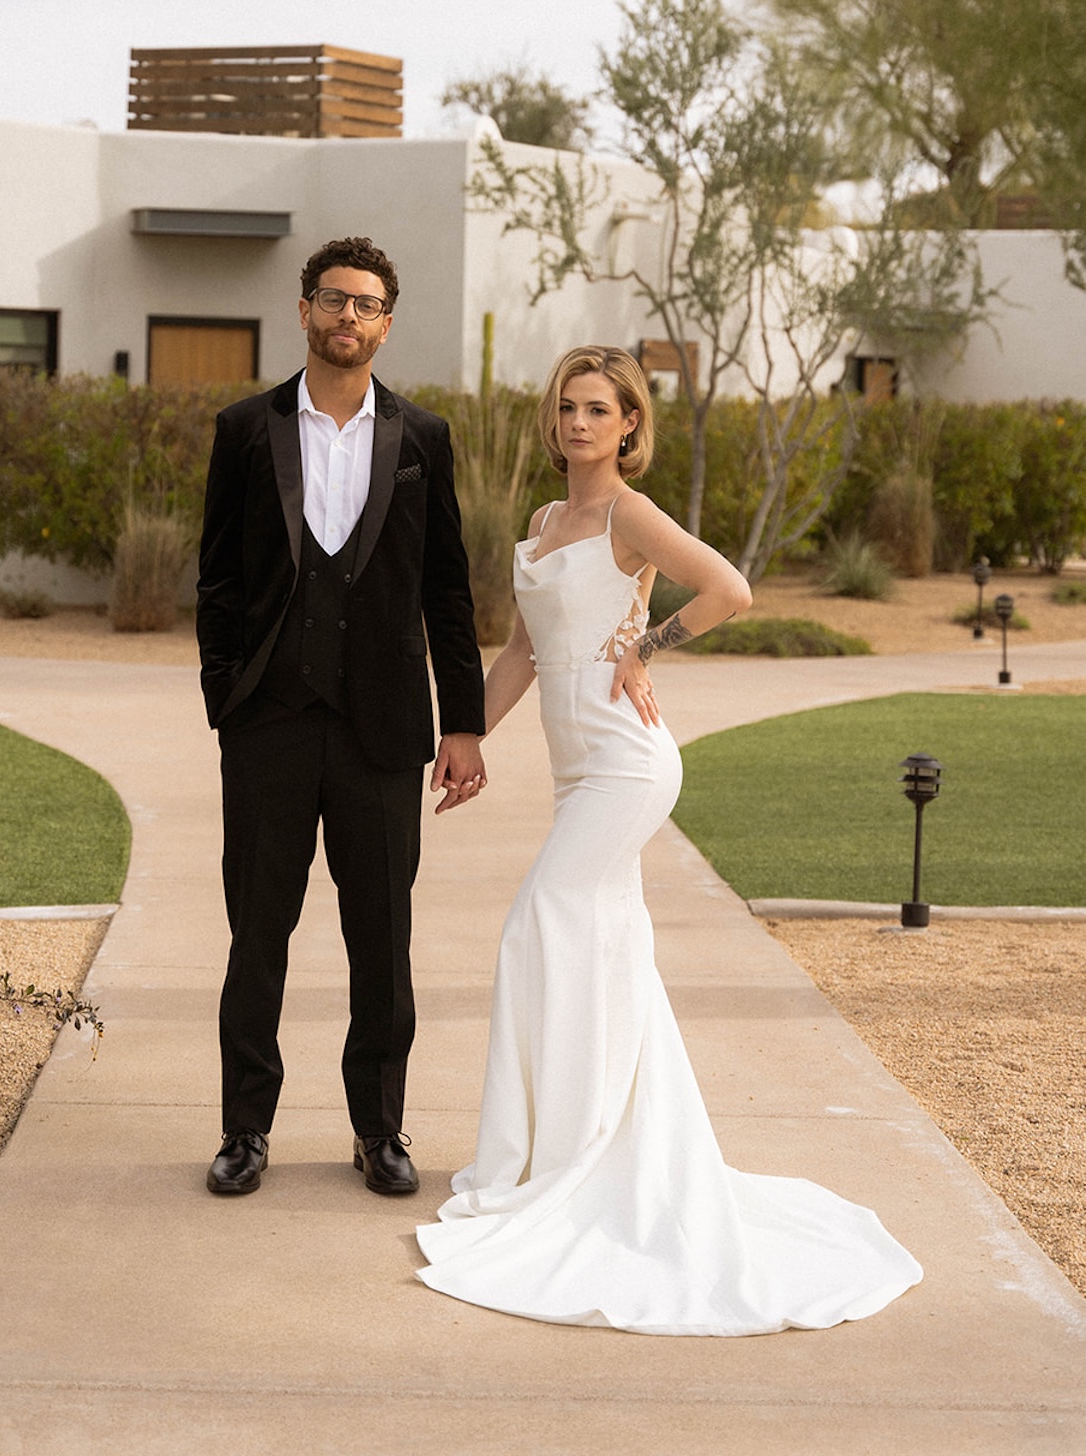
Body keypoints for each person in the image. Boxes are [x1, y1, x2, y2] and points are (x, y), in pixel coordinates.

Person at [416, 344, 923, 1332]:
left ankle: (556, 1159)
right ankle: (584, 1147)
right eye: (566, 407)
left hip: (627, 764)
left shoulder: (626, 516)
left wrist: (646, 647)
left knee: (537, 924)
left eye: (597, 409)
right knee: (602, 953)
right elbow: (523, 651)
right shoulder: (541, 522)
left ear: (628, 427)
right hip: (574, 777)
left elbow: (729, 589)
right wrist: (466, 738)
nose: (576, 423)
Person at [197, 235, 487, 1199]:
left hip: (382, 727)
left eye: (365, 305)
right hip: (270, 723)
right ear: (305, 311)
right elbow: (219, 580)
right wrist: (225, 702)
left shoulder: (425, 438)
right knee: (258, 935)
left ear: (387, 322)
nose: (347, 318)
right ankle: (245, 1130)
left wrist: (464, 724)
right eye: (333, 300)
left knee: (382, 937)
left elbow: (448, 589)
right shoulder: (245, 429)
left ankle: (380, 1131)